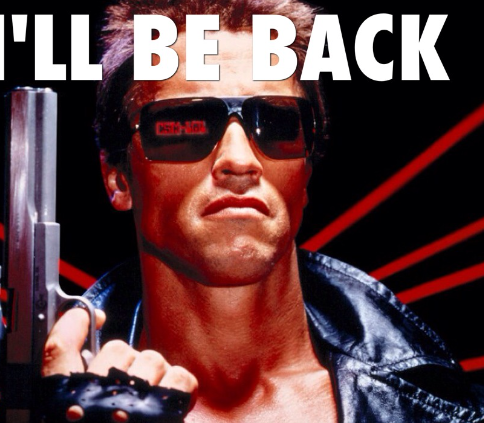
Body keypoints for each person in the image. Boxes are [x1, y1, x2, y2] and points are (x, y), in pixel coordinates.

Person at [41, 0, 484, 421]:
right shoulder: (31, 404)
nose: (239, 161)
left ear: (306, 170)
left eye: (276, 123)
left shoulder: (435, 407)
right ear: (118, 177)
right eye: (185, 126)